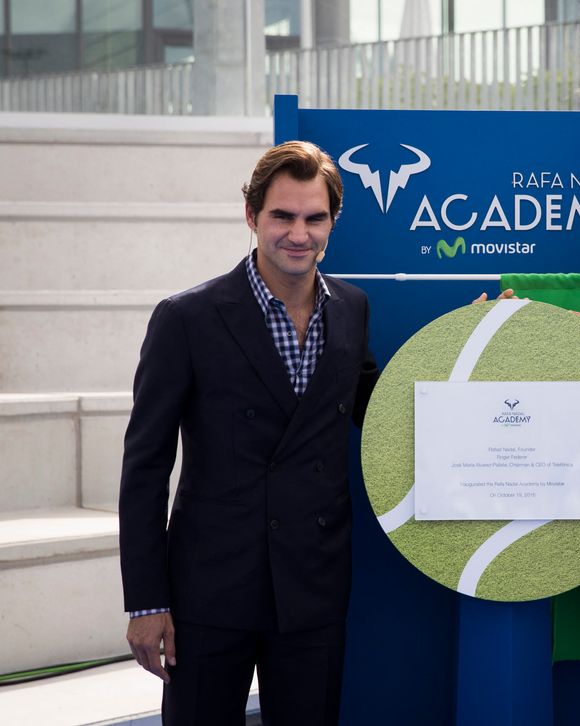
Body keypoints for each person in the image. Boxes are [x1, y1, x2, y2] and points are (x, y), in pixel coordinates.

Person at [118, 140, 379, 725]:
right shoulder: (187, 318)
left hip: (313, 585)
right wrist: (147, 601)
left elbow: (381, 409)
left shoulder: (354, 309)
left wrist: (475, 339)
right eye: (282, 216)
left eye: (314, 218)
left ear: (332, 222)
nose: (298, 233)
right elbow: (145, 469)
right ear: (252, 217)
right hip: (209, 593)